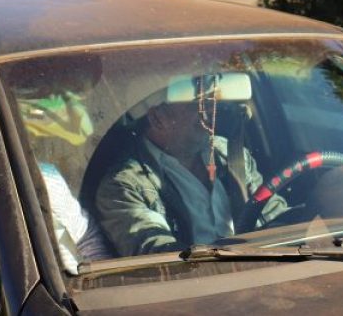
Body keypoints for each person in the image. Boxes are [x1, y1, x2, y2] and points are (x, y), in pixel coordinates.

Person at [95, 79, 288, 257]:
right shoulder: (123, 185)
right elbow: (158, 255)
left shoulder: (230, 154)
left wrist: (314, 210)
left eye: (211, 101)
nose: (212, 110)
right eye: (198, 104)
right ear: (157, 119)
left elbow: (275, 216)